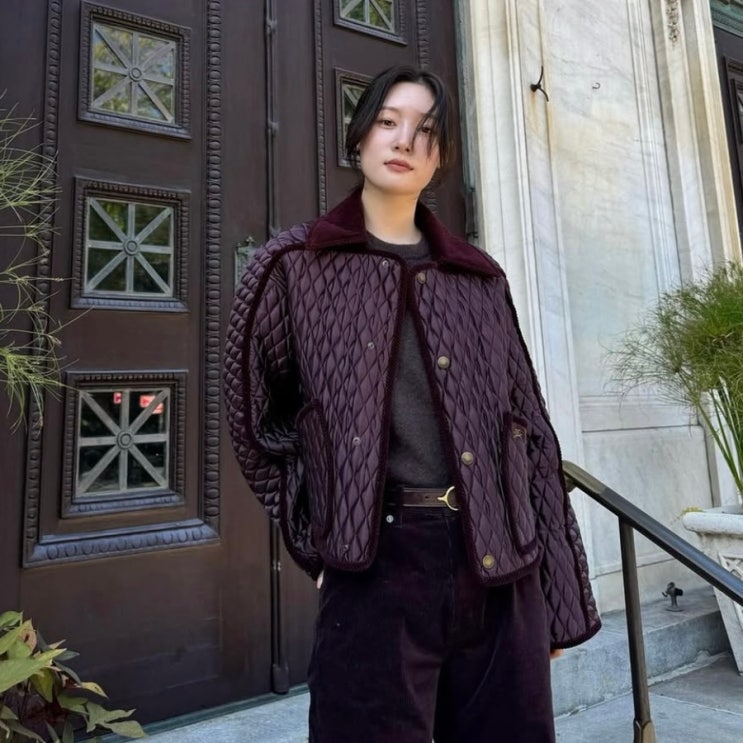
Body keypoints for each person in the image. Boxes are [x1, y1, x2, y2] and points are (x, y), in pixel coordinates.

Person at [224, 65, 601, 743]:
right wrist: (319, 535)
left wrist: (559, 600)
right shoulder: (293, 267)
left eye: (425, 130)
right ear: (359, 136)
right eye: (388, 121)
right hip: (376, 569)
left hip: (499, 567)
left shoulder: (477, 279)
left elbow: (531, 435)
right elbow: (255, 422)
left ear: (441, 156)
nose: (404, 140)